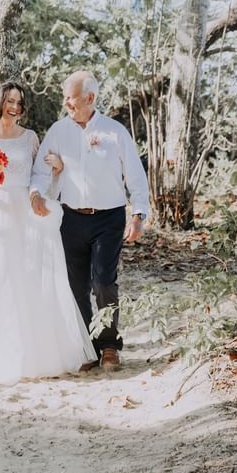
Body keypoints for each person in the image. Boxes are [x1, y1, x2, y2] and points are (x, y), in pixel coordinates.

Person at [0, 80, 96, 384]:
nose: (14, 107)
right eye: (9, 101)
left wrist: (57, 168)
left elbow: (39, 176)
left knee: (21, 279)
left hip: (22, 213)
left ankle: (27, 351)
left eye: (19, 102)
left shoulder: (30, 139)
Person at [30, 71, 150, 371]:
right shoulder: (58, 131)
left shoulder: (115, 132)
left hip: (109, 218)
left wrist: (138, 214)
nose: (66, 103)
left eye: (70, 97)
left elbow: (135, 174)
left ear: (90, 98)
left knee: (103, 282)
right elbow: (41, 170)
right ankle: (86, 346)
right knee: (76, 285)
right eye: (66, 98)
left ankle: (109, 345)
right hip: (71, 218)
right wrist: (36, 195)